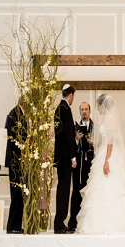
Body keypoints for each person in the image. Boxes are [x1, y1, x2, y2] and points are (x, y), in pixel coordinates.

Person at [76, 93, 125, 234]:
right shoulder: (108, 119)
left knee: (111, 187)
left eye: (97, 106)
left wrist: (106, 161)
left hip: (109, 155)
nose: (97, 109)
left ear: (102, 106)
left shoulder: (110, 119)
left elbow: (110, 143)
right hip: (105, 152)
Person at [53, 84, 77, 234]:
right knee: (63, 191)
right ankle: (59, 224)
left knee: (62, 190)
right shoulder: (65, 109)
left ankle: (59, 223)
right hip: (65, 158)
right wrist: (73, 156)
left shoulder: (59, 109)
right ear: (71, 95)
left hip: (60, 158)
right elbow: (68, 136)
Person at [67, 101, 94, 231]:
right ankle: (73, 223)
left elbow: (100, 145)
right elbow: (71, 146)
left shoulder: (95, 127)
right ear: (80, 112)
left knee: (89, 192)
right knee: (76, 191)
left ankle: (88, 223)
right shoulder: (75, 127)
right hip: (78, 164)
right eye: (82, 109)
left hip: (90, 164)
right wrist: (77, 139)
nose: (84, 112)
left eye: (86, 109)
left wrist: (92, 142)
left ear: (90, 111)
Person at [5, 97, 26, 234]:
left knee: (19, 194)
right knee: (16, 194)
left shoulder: (20, 114)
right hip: (15, 160)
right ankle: (12, 226)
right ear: (23, 103)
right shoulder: (14, 114)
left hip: (18, 160)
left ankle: (16, 225)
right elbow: (14, 138)